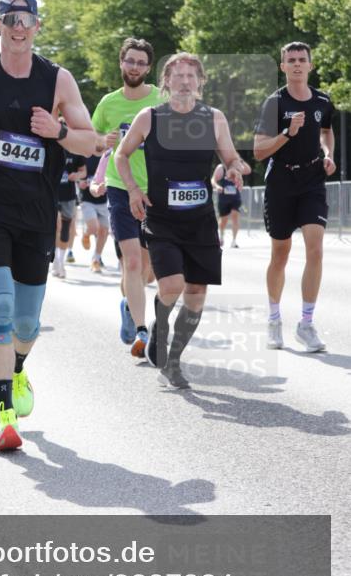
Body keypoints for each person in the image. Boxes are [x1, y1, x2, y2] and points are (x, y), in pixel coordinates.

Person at [0, 0, 96, 451]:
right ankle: (5, 415)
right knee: (1, 310)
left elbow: (90, 142)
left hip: (35, 214)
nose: (19, 26)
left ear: (37, 27)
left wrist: (60, 132)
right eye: (11, 18)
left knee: (27, 325)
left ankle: (19, 368)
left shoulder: (58, 80)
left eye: (26, 19)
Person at [115, 53, 247, 389]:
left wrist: (234, 167)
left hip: (200, 220)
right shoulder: (150, 118)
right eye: (178, 76)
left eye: (192, 76)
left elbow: (230, 156)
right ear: (167, 82)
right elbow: (121, 154)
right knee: (172, 286)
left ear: (200, 82)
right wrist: (132, 190)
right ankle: (159, 327)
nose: (185, 82)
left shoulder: (214, 118)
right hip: (161, 217)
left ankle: (173, 360)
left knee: (197, 292)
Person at [253, 41, 336, 352]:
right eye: (292, 60)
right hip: (281, 181)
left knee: (315, 250)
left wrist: (328, 154)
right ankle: (274, 319)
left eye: (303, 59)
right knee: (281, 255)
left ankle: (306, 323)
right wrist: (287, 133)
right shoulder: (274, 103)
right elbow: (260, 150)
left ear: (311, 65)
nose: (298, 64)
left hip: (312, 178)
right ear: (283, 66)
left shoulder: (323, 100)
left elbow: (326, 131)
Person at [91, 38, 160, 357]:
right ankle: (142, 330)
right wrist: (100, 142)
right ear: (121, 63)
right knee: (131, 262)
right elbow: (93, 142)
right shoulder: (108, 103)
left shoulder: (163, 99)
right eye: (129, 61)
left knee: (148, 270)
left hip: (157, 191)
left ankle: (128, 304)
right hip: (121, 187)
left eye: (140, 63)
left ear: (148, 68)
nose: (134, 67)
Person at [52, 150, 86, 278]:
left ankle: (60, 261)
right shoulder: (54, 143)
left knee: (66, 228)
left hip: (69, 196)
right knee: (57, 226)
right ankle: (55, 258)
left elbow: (84, 171)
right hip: (53, 194)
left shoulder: (76, 149)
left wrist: (77, 175)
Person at [80, 154, 110, 272]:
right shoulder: (86, 154)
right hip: (87, 199)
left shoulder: (108, 157)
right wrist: (80, 182)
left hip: (103, 201)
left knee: (104, 231)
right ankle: (87, 233)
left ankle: (96, 259)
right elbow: (80, 173)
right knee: (94, 227)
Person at [212, 163, 243, 248]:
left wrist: (239, 161)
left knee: (235, 217)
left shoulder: (237, 165)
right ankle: (221, 237)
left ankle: (234, 241)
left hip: (235, 198)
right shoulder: (221, 168)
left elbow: (248, 170)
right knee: (223, 220)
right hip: (224, 199)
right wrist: (217, 186)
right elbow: (213, 180)